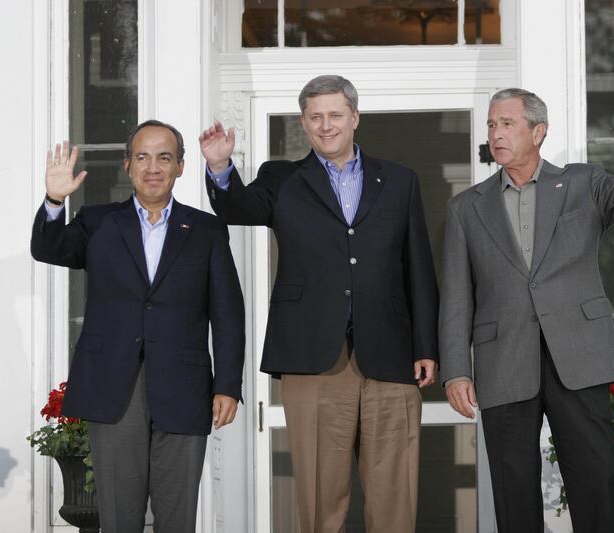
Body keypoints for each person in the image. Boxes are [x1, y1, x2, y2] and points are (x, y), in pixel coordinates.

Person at [199, 74, 439, 532]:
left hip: (391, 357)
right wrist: (220, 169)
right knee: (319, 498)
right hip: (312, 358)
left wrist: (425, 345)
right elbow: (238, 210)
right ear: (304, 124)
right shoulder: (282, 178)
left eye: (334, 115)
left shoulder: (400, 180)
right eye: (315, 117)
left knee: (394, 496)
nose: (325, 125)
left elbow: (418, 269)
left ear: (354, 117)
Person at [439, 77, 614, 532]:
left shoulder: (583, 183)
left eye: (508, 123)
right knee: (513, 493)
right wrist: (456, 369)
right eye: (491, 125)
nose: (497, 134)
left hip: (579, 356)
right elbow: (455, 296)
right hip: (503, 362)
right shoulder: (466, 208)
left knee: (596, 489)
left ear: (538, 131)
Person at [30, 120, 245, 533]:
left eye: (164, 157)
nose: (153, 167)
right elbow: (48, 249)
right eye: (142, 157)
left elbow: (228, 313)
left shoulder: (206, 230)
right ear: (128, 166)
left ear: (181, 166)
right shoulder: (97, 223)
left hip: (184, 387)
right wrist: (54, 200)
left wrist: (228, 384)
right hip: (113, 384)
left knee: (178, 516)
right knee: (118, 517)